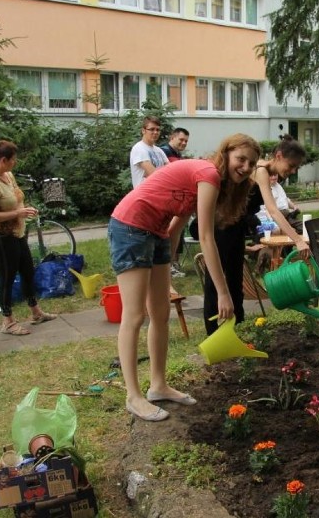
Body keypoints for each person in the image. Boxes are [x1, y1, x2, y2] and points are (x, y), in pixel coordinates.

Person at [109, 133, 260, 421]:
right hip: (130, 227)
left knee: (161, 312)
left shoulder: (208, 180)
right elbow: (205, 237)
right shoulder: (208, 174)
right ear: (226, 153)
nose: (245, 166)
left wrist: (167, 267)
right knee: (135, 315)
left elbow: (175, 226)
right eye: (240, 159)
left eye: (251, 163)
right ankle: (134, 396)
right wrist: (224, 292)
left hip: (155, 234)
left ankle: (158, 385)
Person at [202, 135, 309, 336]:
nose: (292, 171)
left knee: (235, 281)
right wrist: (297, 240)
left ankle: (237, 329)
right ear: (278, 156)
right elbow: (273, 210)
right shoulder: (260, 171)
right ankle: (214, 333)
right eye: (291, 165)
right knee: (215, 283)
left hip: (236, 228)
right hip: (223, 228)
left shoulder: (259, 168)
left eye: (296, 168)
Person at [0, 140, 57, 336]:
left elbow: (15, 201)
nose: (16, 162)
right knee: (7, 276)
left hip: (18, 233)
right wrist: (17, 214)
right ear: (3, 160)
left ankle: (35, 311)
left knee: (27, 271)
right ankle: (7, 321)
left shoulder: (8, 175)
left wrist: (26, 210)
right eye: (13, 159)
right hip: (1, 236)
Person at [159, 127, 190, 278]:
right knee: (170, 231)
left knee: (178, 230)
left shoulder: (177, 154)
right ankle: (168, 264)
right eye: (181, 140)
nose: (184, 143)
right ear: (172, 137)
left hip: (177, 198)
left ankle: (174, 262)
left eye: (186, 141)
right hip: (167, 198)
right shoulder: (164, 152)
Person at [129, 116, 169, 188]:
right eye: (152, 129)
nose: (155, 132)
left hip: (158, 194)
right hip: (144, 196)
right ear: (143, 131)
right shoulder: (139, 148)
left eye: (158, 130)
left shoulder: (159, 151)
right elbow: (154, 174)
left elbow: (170, 170)